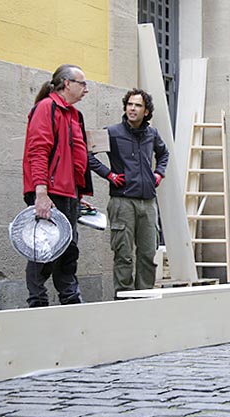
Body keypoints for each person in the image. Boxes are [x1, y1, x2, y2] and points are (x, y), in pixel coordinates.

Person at [22, 64, 93, 307]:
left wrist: (79, 193)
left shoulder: (74, 115)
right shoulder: (46, 108)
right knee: (43, 252)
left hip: (68, 193)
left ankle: (71, 302)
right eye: (82, 83)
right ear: (66, 84)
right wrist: (41, 193)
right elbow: (38, 152)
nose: (86, 89)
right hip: (49, 194)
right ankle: (37, 303)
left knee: (68, 251)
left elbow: (75, 158)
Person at [89, 89, 169, 297]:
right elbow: (86, 154)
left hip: (148, 203)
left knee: (148, 254)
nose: (132, 109)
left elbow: (164, 154)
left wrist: (159, 174)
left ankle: (144, 296)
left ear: (147, 111)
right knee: (123, 254)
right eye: (130, 105)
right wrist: (109, 175)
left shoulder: (152, 134)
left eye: (138, 105)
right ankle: (124, 298)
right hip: (122, 201)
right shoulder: (112, 132)